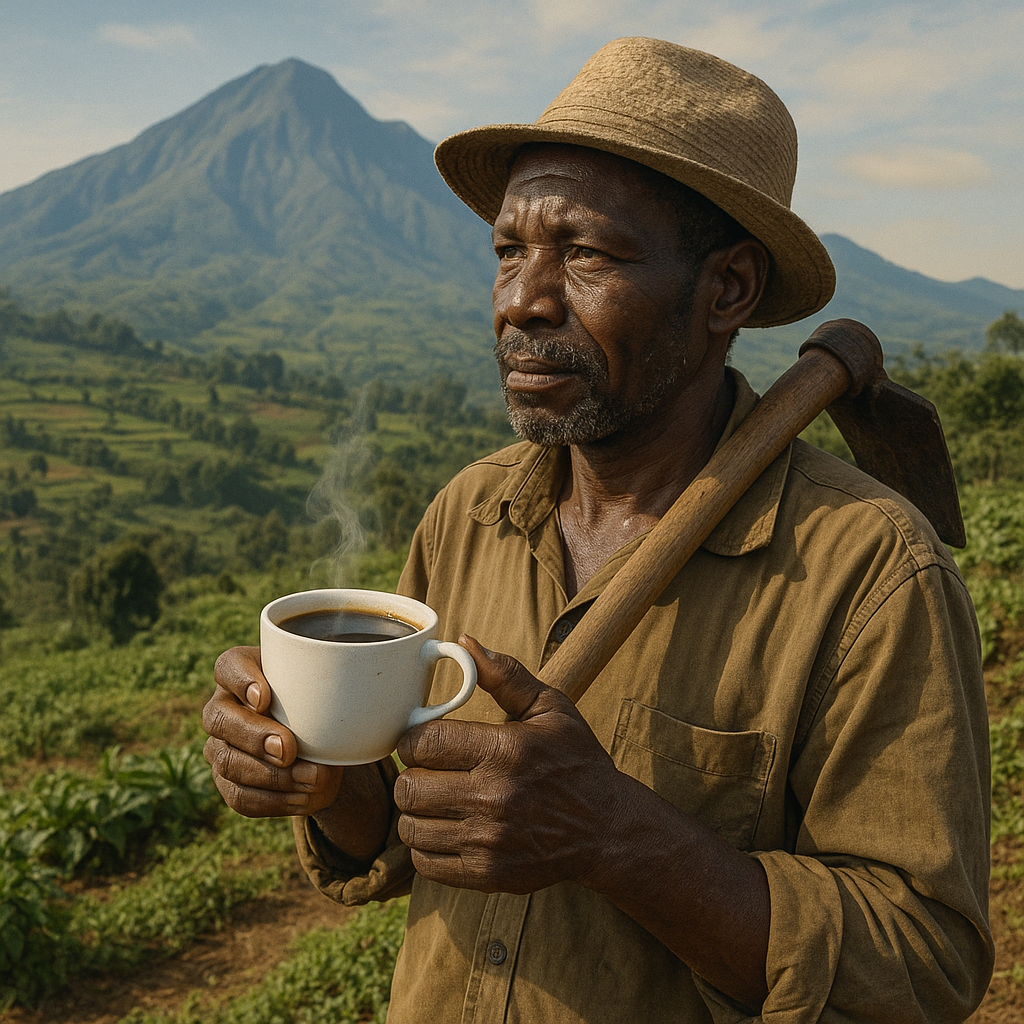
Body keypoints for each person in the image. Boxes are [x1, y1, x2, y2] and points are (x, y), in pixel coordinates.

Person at [203, 37, 994, 1022]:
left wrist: (623, 840)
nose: (522, 301)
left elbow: (924, 963)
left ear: (728, 290)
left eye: (585, 253)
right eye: (508, 251)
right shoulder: (467, 514)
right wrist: (322, 775)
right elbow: (408, 837)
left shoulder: (868, 570)